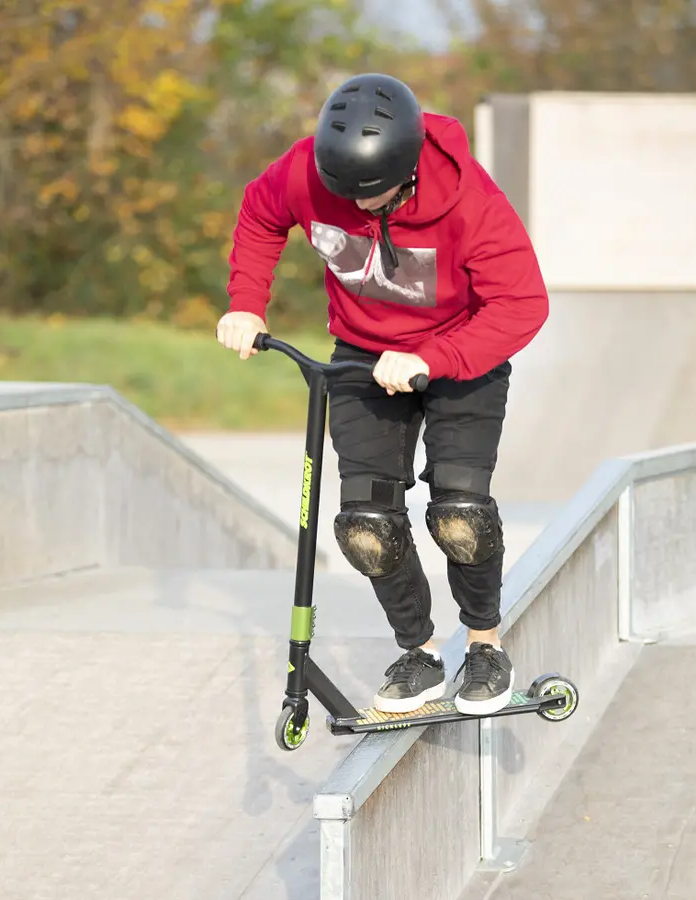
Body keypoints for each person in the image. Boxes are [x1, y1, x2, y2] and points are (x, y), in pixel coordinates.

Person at [216, 73, 549, 716]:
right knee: (367, 527)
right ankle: (419, 653)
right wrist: (246, 304)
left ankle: (484, 647)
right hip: (361, 356)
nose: (363, 209)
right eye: (349, 197)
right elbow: (260, 216)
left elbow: (523, 305)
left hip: (462, 355)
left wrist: (433, 357)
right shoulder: (303, 173)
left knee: (461, 517)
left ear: (411, 170)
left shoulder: (472, 202)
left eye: (379, 197)